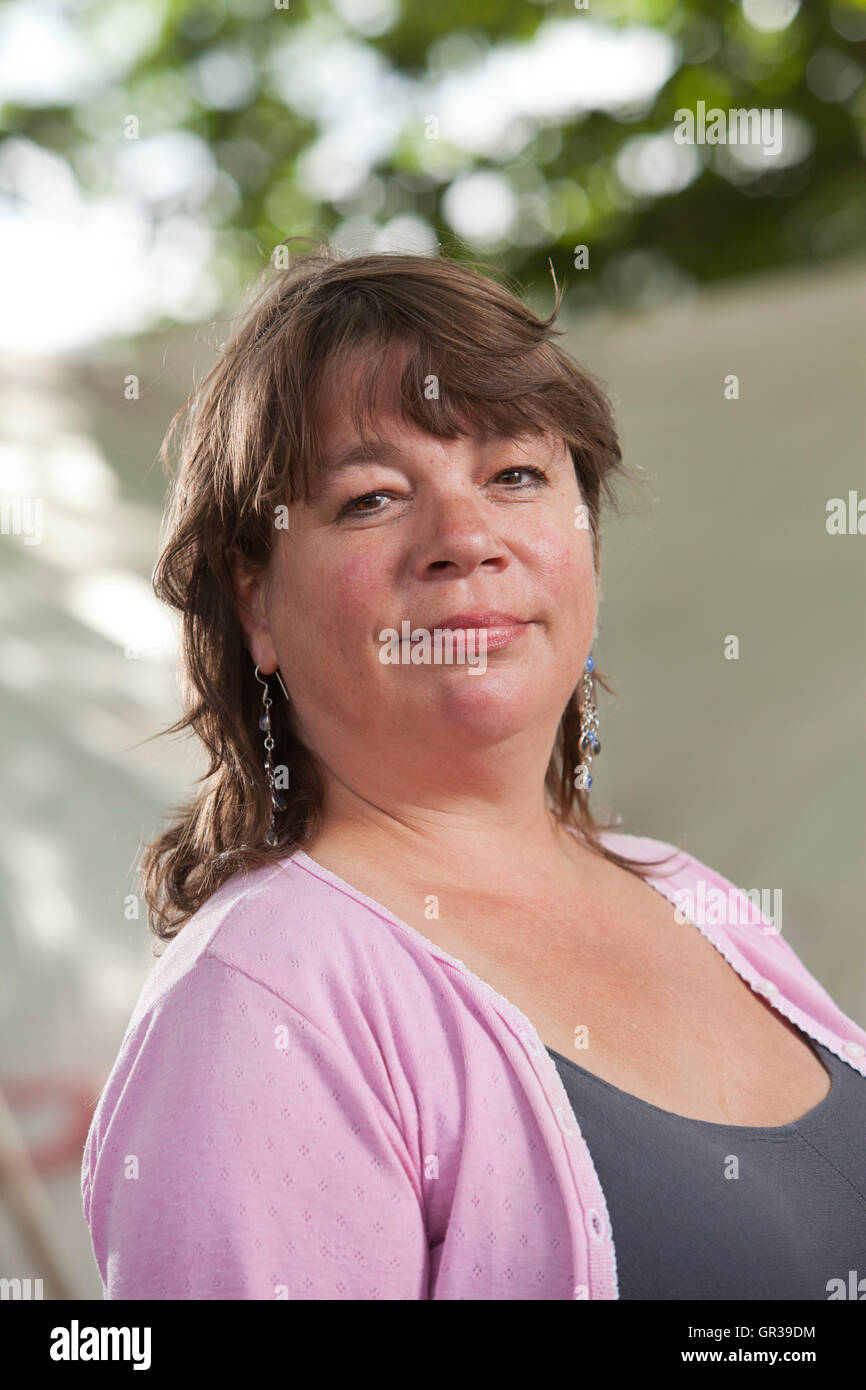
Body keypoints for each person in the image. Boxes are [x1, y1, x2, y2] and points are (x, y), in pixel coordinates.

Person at [81, 246, 866, 1300]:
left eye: (513, 476)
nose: (464, 537)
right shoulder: (263, 1002)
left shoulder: (690, 896)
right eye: (369, 497)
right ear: (256, 602)